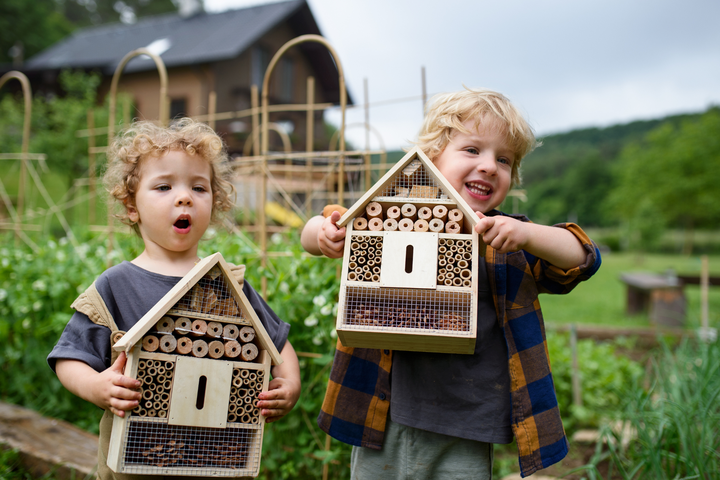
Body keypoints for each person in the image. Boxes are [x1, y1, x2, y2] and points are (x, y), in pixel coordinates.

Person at [301, 88, 601, 479]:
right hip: (384, 412)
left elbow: (583, 256)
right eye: (473, 150)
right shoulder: (394, 215)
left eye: (504, 159)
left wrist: (528, 235)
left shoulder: (506, 238)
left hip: (467, 422)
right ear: (433, 156)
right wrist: (323, 236)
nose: (490, 166)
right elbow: (320, 226)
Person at [48, 118, 301, 480]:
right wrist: (97, 386)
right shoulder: (116, 285)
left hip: (218, 455)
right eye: (164, 186)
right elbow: (69, 358)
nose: (184, 196)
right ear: (131, 205)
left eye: (198, 188)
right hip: (136, 464)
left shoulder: (227, 283)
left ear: (214, 203)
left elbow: (277, 344)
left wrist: (288, 384)